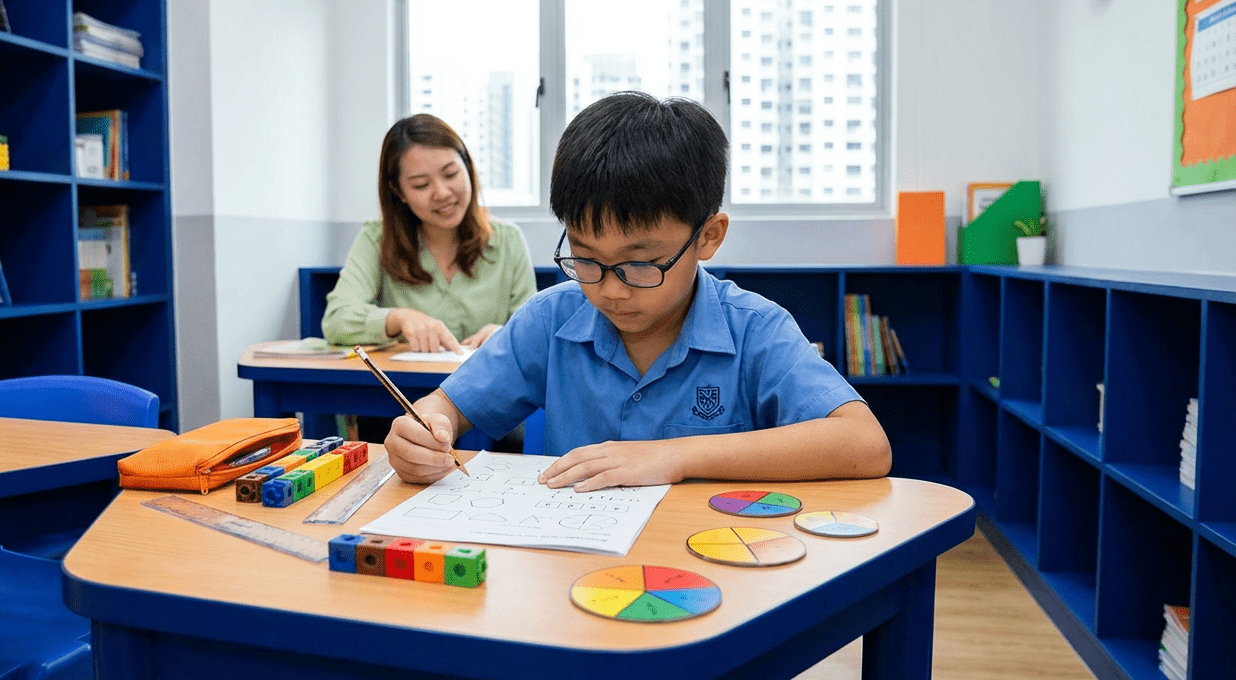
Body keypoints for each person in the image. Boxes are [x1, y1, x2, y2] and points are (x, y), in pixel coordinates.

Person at [384, 91, 892, 492]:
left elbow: (865, 443)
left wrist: (675, 456)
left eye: (640, 264)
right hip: (573, 565)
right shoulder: (551, 319)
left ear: (708, 237)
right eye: (586, 259)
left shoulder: (754, 329)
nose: (610, 290)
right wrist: (425, 429)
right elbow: (447, 406)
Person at [322, 113, 537, 446]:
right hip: (399, 412)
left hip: (491, 414)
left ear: (468, 168)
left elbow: (533, 332)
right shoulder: (377, 238)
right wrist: (398, 318)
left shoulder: (507, 240)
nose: (442, 193)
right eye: (421, 185)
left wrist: (504, 335)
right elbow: (337, 318)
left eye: (451, 174)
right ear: (399, 191)